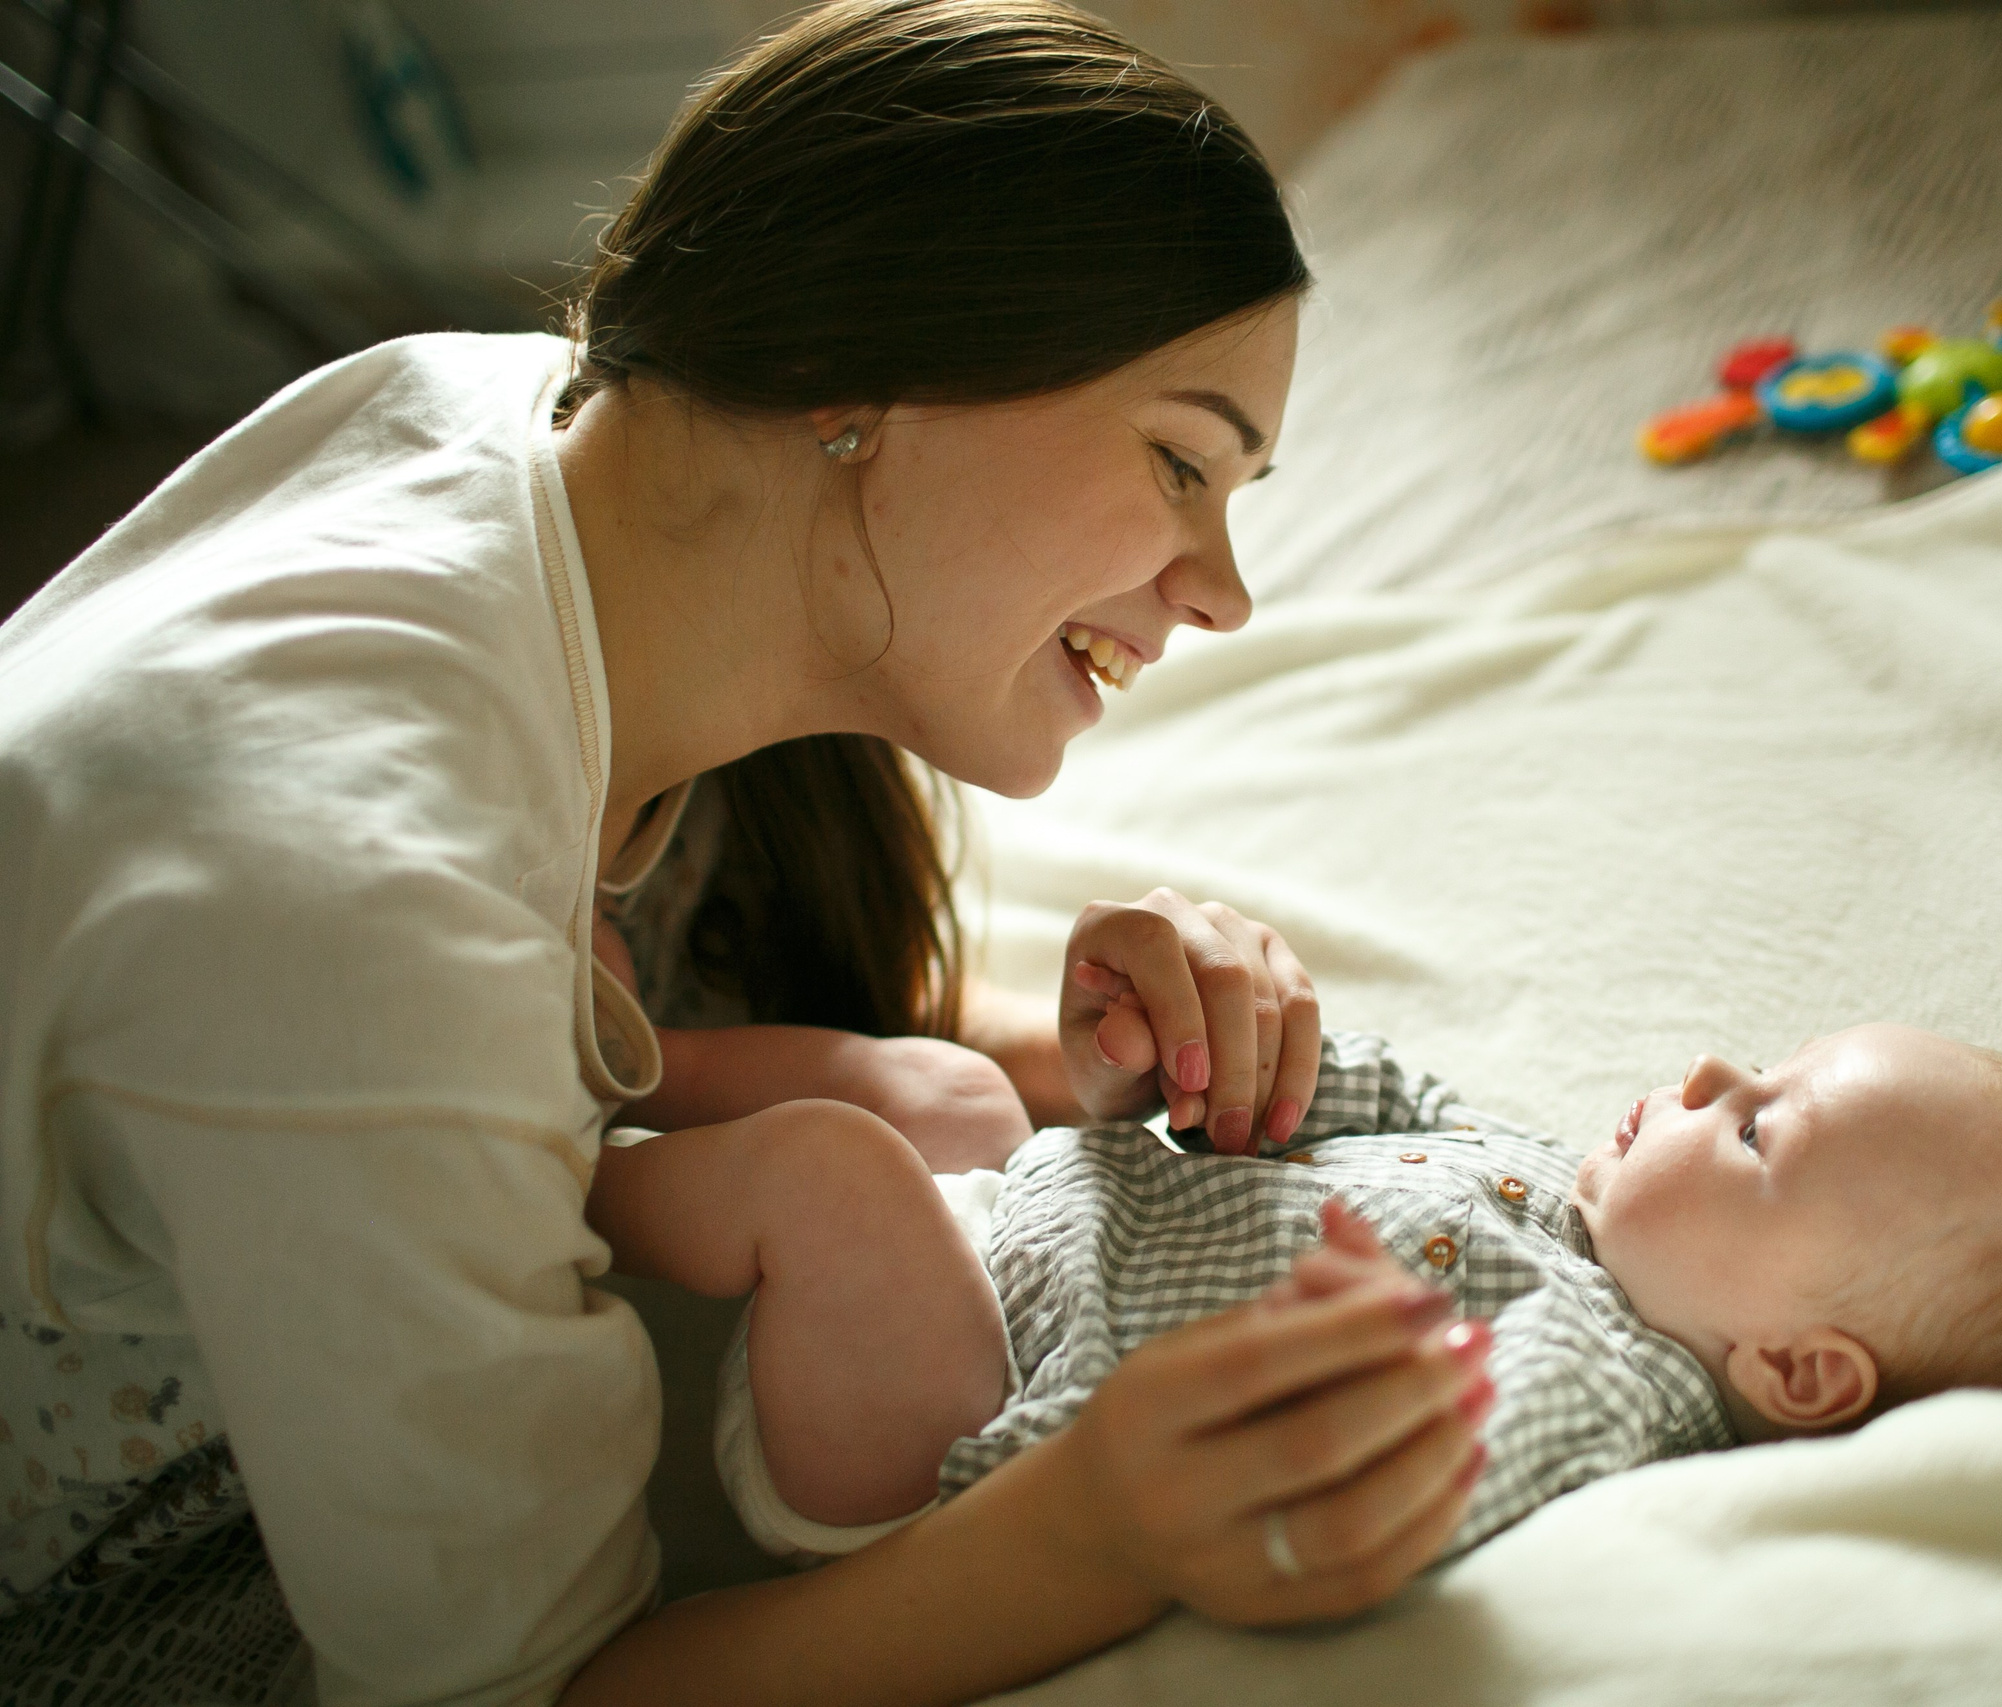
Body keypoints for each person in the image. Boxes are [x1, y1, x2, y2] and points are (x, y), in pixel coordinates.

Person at [0, 5, 1495, 1701]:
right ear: (856, 378)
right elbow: (518, 1690)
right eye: (1178, 462)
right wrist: (1093, 1533)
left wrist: (1076, 1048)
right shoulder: (346, 918)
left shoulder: (584, 479)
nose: (1224, 592)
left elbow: (639, 1032)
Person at [589, 1015, 2002, 1564]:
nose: (1706, 1071)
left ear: (1799, 1370)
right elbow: (1372, 1096)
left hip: (957, 1433)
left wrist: (1360, 1372)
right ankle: (622, 1053)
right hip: (1004, 1228)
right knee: (946, 1093)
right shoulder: (1553, 1174)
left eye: (1758, 1126)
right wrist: (1217, 1056)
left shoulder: (1619, 1389)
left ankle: (538, 1182)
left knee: (840, 1182)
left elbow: (1433, 1470)